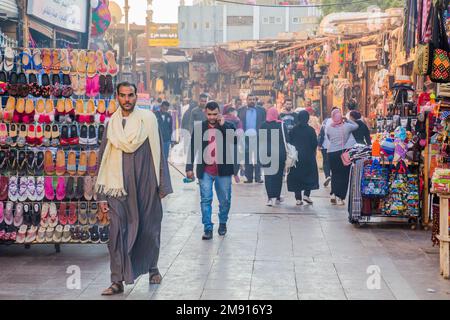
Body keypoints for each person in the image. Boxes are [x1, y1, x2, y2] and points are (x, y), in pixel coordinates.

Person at [96, 82, 173, 296]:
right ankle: (117, 280)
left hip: (145, 184)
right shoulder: (112, 123)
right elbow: (103, 157)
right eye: (123, 96)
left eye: (130, 95)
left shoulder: (148, 120)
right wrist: (101, 195)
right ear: (117, 97)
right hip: (117, 187)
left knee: (149, 229)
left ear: (136, 96)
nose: (127, 99)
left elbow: (159, 150)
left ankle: (152, 267)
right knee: (116, 234)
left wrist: (163, 183)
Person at [186, 101, 237, 240]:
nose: (212, 117)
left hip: (223, 171)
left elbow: (235, 140)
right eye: (209, 114)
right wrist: (189, 168)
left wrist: (223, 125)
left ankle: (223, 222)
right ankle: (207, 228)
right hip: (205, 171)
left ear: (219, 113)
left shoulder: (227, 126)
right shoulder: (199, 128)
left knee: (225, 200)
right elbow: (192, 148)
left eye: (215, 114)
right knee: (206, 199)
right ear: (205, 113)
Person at [326, 108, 358, 206]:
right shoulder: (347, 126)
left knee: (335, 174)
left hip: (331, 153)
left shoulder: (329, 127)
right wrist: (347, 119)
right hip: (343, 153)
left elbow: (328, 137)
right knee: (344, 176)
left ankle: (333, 194)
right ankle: (340, 197)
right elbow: (356, 125)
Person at [287, 110, 319, 206]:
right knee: (309, 176)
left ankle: (298, 199)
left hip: (296, 158)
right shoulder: (311, 130)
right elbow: (314, 143)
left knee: (297, 178)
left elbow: (289, 142)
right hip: (308, 157)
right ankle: (306, 195)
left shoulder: (294, 129)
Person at [259, 107, 286, 206]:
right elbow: (286, 139)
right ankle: (277, 197)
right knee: (278, 176)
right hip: (279, 154)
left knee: (268, 176)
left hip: (266, 153)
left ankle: (270, 198)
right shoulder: (281, 125)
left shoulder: (263, 125)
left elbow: (260, 140)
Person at [238, 93, 266, 184]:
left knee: (258, 157)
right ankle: (249, 177)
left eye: (253, 99)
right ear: (246, 100)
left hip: (258, 136)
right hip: (245, 137)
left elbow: (264, 123)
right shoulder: (241, 110)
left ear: (256, 100)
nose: (252, 101)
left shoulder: (261, 110)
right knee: (247, 157)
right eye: (250, 99)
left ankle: (258, 177)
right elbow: (238, 123)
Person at [223, 104, 243, 183]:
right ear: (231, 112)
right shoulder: (236, 119)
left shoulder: (222, 118)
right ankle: (235, 174)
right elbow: (240, 130)